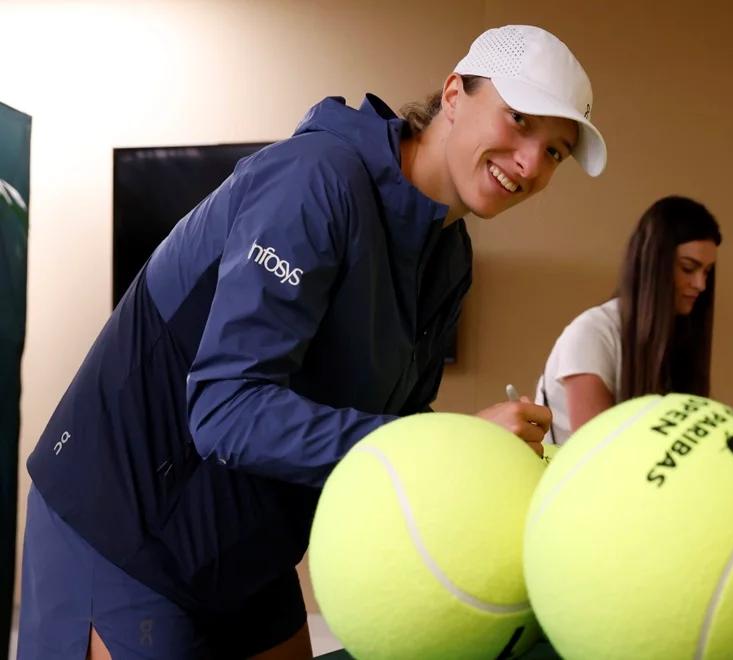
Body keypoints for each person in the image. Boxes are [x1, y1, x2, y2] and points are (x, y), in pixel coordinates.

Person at [19, 25, 605, 660]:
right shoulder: (315, 180)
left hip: (244, 549)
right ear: (455, 93)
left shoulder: (449, 255)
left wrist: (483, 461)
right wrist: (456, 442)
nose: (529, 162)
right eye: (518, 120)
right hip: (122, 528)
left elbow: (393, 427)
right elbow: (225, 410)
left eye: (554, 152)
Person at [535, 196, 720, 448]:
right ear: (654, 265)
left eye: (707, 272)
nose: (701, 284)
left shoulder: (678, 336)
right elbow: (598, 455)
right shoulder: (591, 334)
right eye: (688, 268)